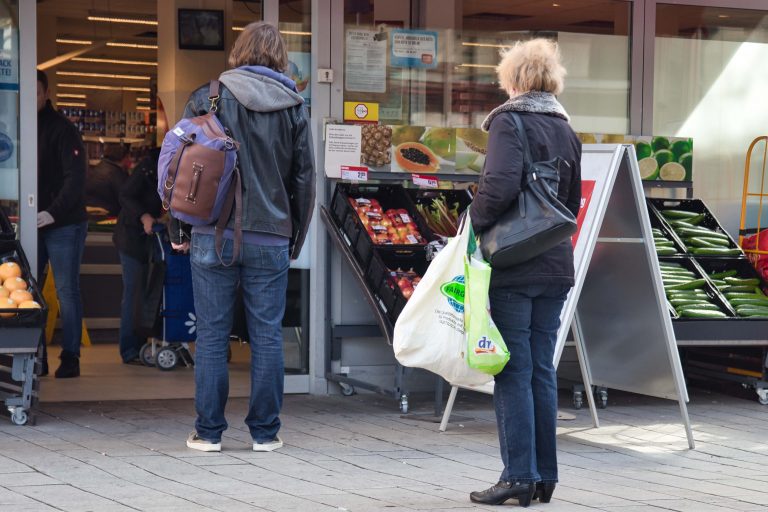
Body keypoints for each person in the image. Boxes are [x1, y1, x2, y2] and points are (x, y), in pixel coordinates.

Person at [171, 21, 315, 453]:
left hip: (211, 233)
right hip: (271, 236)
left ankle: (209, 433)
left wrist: (178, 227)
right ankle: (265, 434)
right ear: (280, 56)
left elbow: (180, 168)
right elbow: (305, 180)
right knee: (267, 335)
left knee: (212, 335)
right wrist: (295, 237)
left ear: (238, 51)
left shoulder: (207, 96)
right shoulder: (293, 105)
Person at [468, 39, 582, 507]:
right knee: (540, 369)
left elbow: (497, 187)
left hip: (514, 263)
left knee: (512, 370)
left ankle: (517, 476)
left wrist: (470, 230)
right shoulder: (567, 130)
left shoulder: (508, 122)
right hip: (556, 262)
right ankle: (542, 477)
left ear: (513, 80)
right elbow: (570, 205)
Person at [37, 69, 89, 378]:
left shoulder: (64, 129)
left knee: (66, 291)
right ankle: (36, 356)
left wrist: (53, 212)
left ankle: (70, 357)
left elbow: (76, 179)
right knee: (30, 293)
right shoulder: (18, 127)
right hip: (32, 220)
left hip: (64, 223)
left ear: (45, 93)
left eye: (37, 91)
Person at [113, 148, 163, 364]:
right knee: (134, 293)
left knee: (145, 293)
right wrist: (144, 216)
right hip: (132, 237)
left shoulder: (175, 168)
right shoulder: (148, 167)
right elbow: (125, 195)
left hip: (150, 238)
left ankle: (141, 344)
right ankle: (129, 348)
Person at [85, 143, 129, 217]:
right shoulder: (117, 174)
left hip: (88, 214)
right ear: (124, 158)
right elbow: (124, 198)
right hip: (109, 216)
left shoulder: (95, 169)